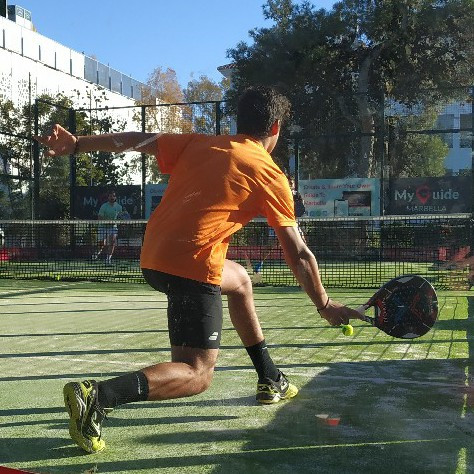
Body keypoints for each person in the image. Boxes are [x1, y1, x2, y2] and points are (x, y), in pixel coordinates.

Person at [35, 86, 358, 453]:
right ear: (276, 128)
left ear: (239, 123)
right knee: (197, 373)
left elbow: (138, 140)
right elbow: (298, 253)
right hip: (190, 266)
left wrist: (78, 144)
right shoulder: (269, 174)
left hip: (153, 256)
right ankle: (99, 396)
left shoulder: (200, 143)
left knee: (240, 281)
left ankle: (270, 377)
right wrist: (325, 304)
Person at [93, 191, 122, 264]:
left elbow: (120, 217)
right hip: (103, 227)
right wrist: (107, 222)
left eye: (113, 196)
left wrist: (120, 220)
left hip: (113, 227)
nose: (112, 197)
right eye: (110, 196)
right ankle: (96, 254)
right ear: (108, 197)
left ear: (115, 197)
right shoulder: (104, 206)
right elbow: (99, 217)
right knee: (101, 244)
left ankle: (108, 259)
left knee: (112, 242)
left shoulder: (119, 207)